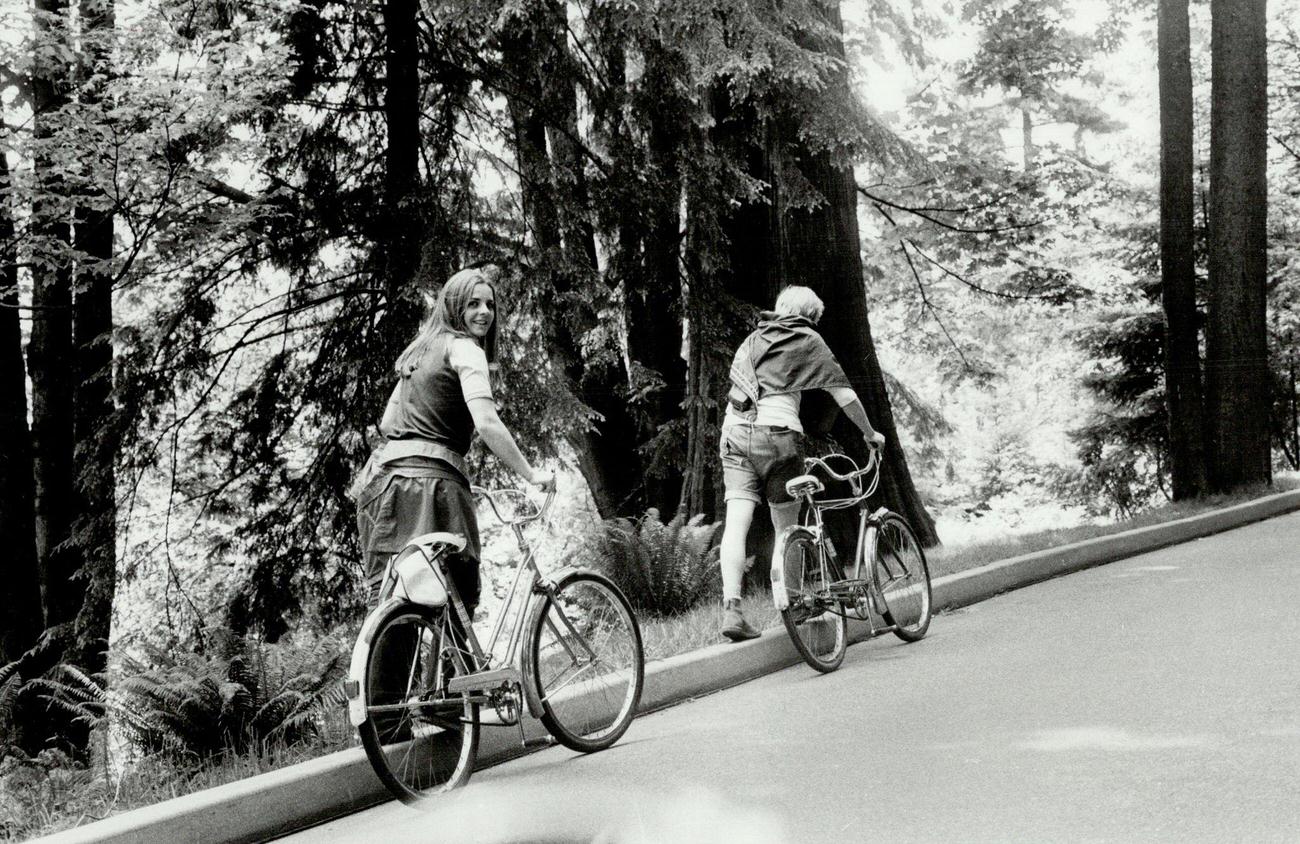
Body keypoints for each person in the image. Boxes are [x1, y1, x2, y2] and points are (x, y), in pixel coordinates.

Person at [354, 265, 555, 615]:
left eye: (490, 304)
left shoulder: (418, 351)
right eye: (473, 304)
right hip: (433, 487)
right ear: (453, 306)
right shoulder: (466, 350)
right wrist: (531, 474)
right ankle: (455, 655)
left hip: (386, 485)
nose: (484, 312)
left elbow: (387, 423)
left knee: (393, 604)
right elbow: (487, 423)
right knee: (456, 602)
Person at [717, 285, 886, 641]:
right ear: (812, 317)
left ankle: (732, 609)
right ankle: (793, 604)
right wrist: (870, 433)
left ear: (780, 307)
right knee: (786, 528)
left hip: (734, 434)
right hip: (778, 436)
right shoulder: (808, 339)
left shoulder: (752, 340)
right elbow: (844, 395)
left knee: (736, 524)